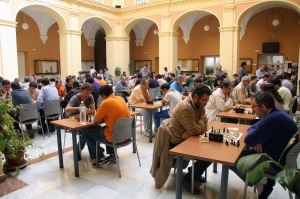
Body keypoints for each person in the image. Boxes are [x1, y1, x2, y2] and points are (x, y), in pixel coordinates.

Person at [231, 92, 298, 198]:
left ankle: (259, 181)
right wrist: (258, 135)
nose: (252, 110)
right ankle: (266, 184)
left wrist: (256, 135)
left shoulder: (271, 119)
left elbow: (249, 139)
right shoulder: (276, 114)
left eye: (254, 107)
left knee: (231, 159)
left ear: (263, 107)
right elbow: (253, 127)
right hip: (283, 157)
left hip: (274, 162)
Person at [169, 85, 212, 194]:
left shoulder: (199, 106)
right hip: (178, 142)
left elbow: (201, 128)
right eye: (204, 100)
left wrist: (196, 127)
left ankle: (193, 173)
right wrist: (199, 125)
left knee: (211, 149)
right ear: (196, 97)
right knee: (208, 155)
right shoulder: (186, 107)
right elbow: (197, 128)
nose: (206, 103)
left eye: (207, 100)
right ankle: (188, 178)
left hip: (189, 139)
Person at [80, 85, 130, 167]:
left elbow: (96, 120)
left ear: (103, 95)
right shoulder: (120, 99)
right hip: (126, 135)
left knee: (87, 133)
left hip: (114, 137)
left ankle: (99, 158)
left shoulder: (106, 102)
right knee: (104, 128)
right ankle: (113, 155)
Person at [65, 83, 95, 158]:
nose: (88, 94)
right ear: (81, 90)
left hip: (82, 117)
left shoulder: (90, 97)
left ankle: (95, 151)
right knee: (87, 131)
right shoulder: (75, 98)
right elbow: (67, 109)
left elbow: (92, 110)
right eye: (86, 92)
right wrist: (78, 108)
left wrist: (82, 113)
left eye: (89, 93)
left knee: (94, 128)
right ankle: (78, 152)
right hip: (72, 120)